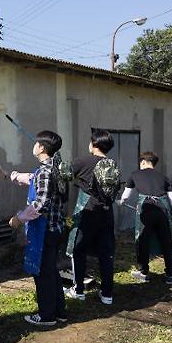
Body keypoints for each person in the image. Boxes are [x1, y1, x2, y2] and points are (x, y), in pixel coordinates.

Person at [9, 131, 68, 326]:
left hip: (45, 230)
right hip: (55, 228)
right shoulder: (54, 167)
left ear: (42, 148)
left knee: (42, 273)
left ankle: (46, 316)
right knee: (51, 270)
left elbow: (41, 203)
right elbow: (33, 178)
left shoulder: (45, 171)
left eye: (36, 143)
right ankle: (59, 312)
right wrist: (14, 176)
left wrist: (19, 218)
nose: (33, 145)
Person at [65, 130, 120, 305]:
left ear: (94, 144)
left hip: (87, 210)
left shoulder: (84, 161)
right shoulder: (113, 164)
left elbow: (63, 174)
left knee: (78, 249)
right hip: (106, 212)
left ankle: (78, 290)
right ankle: (107, 294)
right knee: (105, 252)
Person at [117, 152, 172, 285]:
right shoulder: (163, 177)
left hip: (146, 209)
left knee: (143, 240)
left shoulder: (135, 174)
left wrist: (121, 202)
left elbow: (125, 197)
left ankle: (143, 272)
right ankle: (170, 274)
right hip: (162, 210)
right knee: (166, 240)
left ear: (143, 162)